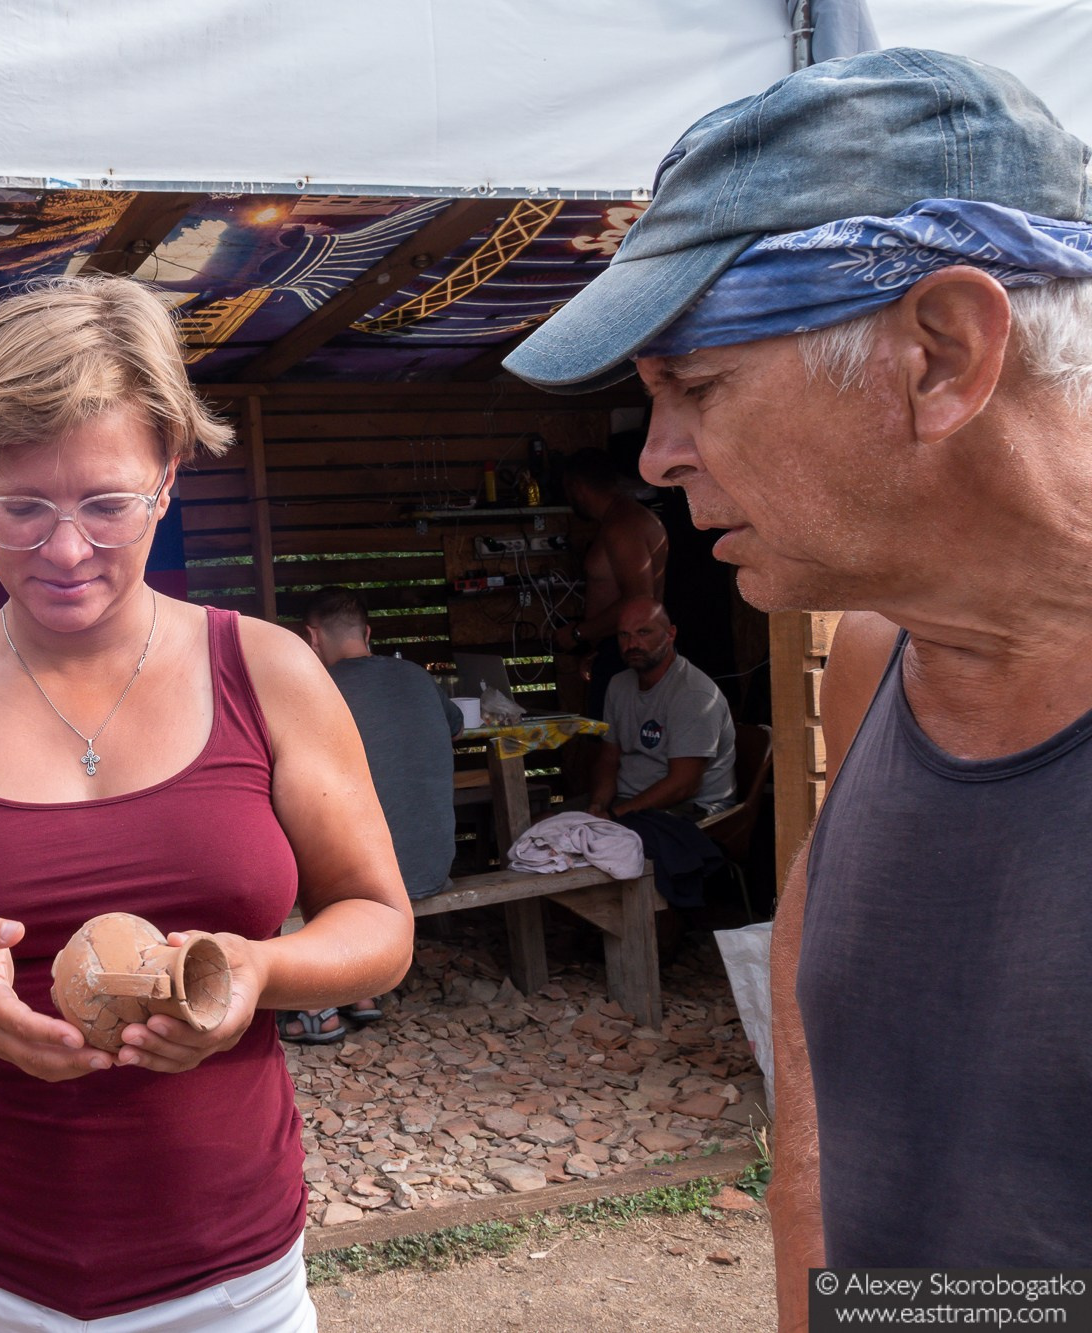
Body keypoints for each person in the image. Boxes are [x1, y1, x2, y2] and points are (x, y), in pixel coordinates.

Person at [502, 48, 1092, 1330]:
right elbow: (828, 1044)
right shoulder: (877, 666)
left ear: (940, 354)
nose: (660, 458)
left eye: (694, 386)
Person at [0, 276, 412, 1329]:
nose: (64, 549)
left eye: (105, 503)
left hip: (227, 1277)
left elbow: (380, 923)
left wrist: (255, 971)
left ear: (167, 476)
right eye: (21, 506)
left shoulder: (267, 672)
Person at [301, 586, 463, 1040]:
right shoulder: (416, 676)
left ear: (312, 637)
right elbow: (455, 728)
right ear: (368, 633)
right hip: (432, 866)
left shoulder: (317, 689)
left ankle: (318, 1001)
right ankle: (363, 992)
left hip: (371, 881)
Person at [587, 598, 736, 822]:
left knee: (600, 841)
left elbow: (683, 785)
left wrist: (612, 817)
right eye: (624, 635)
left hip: (688, 809)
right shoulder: (618, 684)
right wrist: (597, 807)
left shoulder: (693, 693)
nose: (632, 644)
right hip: (626, 803)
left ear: (670, 634)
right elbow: (609, 759)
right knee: (545, 825)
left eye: (643, 632)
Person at [552, 447, 669, 719]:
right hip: (619, 649)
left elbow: (639, 603)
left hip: (630, 652)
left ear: (576, 487)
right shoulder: (623, 520)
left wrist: (578, 634)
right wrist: (598, 646)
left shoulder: (623, 527)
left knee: (611, 740)